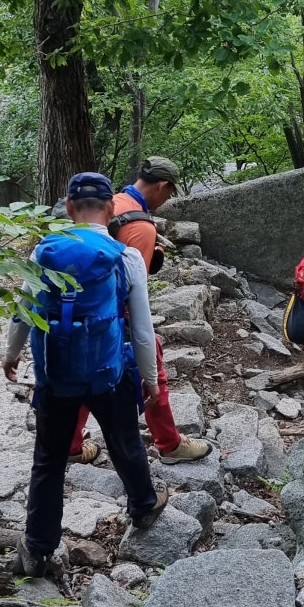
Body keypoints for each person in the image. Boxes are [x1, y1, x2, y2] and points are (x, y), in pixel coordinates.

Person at [2, 172, 169, 575]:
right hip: (107, 370)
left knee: (48, 460)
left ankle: (39, 548)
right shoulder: (124, 256)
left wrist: (11, 354)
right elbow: (142, 329)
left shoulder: (45, 251)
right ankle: (144, 505)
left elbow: (23, 310)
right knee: (125, 439)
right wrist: (149, 378)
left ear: (69, 207)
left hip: (55, 374)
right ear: (111, 210)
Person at [68, 156, 210, 466]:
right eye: (169, 193)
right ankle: (170, 445)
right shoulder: (142, 227)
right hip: (114, 319)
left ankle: (71, 445)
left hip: (74, 312)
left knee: (81, 379)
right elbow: (134, 293)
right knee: (153, 372)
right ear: (161, 186)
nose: (167, 199)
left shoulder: (111, 202)